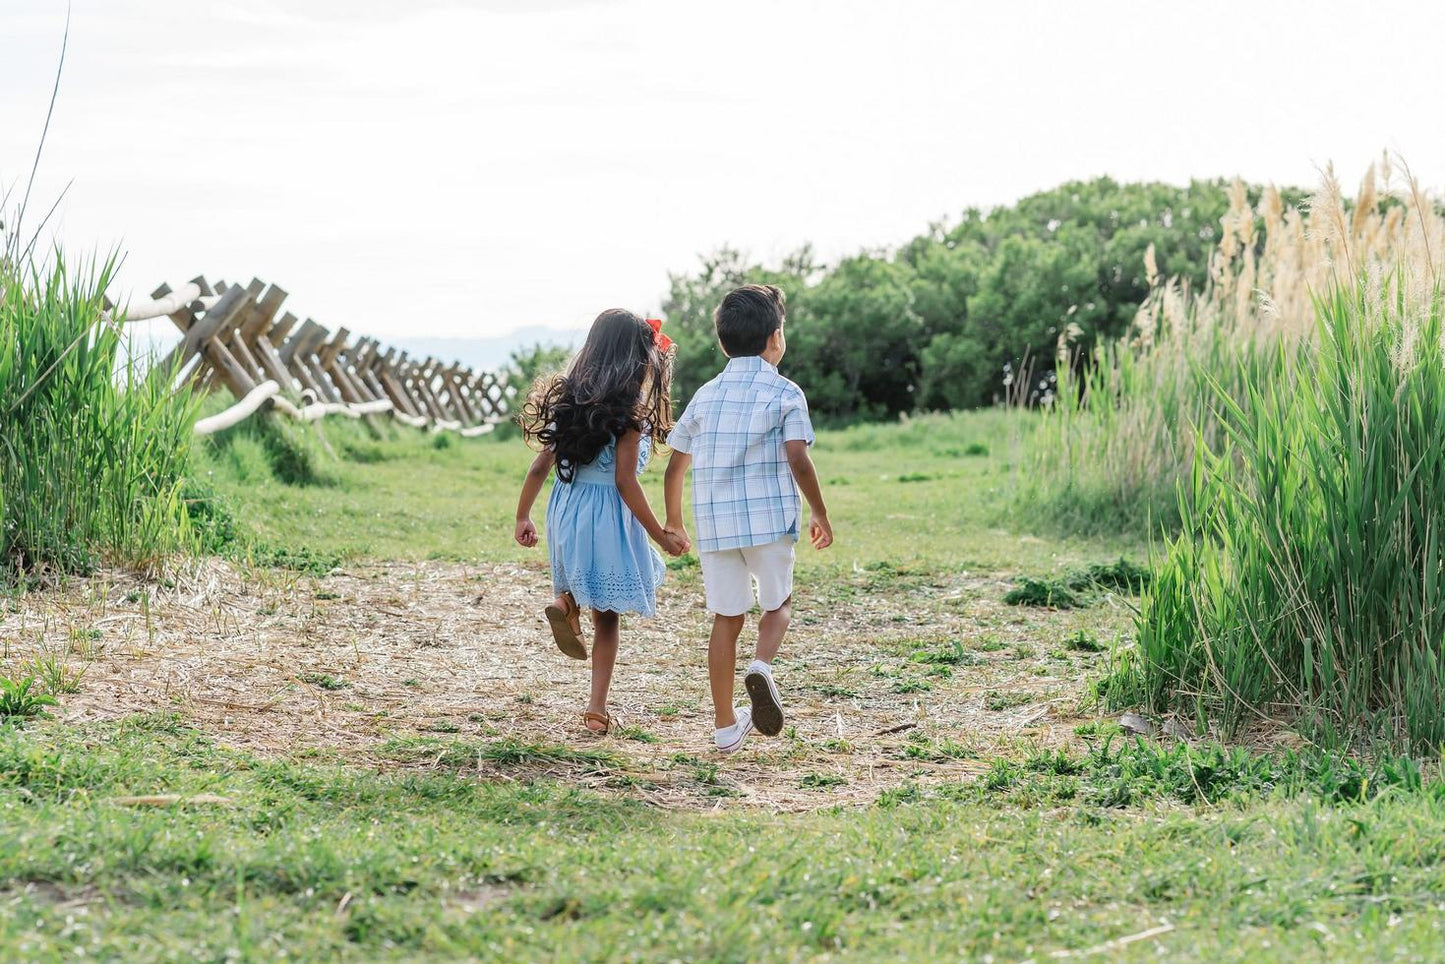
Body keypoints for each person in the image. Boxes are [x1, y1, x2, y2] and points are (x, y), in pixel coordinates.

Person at [663, 284, 833, 754]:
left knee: (726, 617)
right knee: (778, 605)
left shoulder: (706, 394)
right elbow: (797, 456)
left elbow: (676, 460)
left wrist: (673, 522)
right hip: (770, 523)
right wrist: (819, 509)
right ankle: (760, 666)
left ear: (722, 343)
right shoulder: (785, 392)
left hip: (716, 529)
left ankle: (723, 725)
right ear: (776, 337)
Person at [514, 309, 688, 735]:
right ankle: (595, 711)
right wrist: (660, 535)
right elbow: (626, 483)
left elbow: (540, 468)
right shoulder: (629, 412)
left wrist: (523, 515)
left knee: (580, 579)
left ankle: (565, 602)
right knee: (607, 616)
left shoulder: (569, 402)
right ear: (637, 358)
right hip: (609, 514)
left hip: (566, 509)